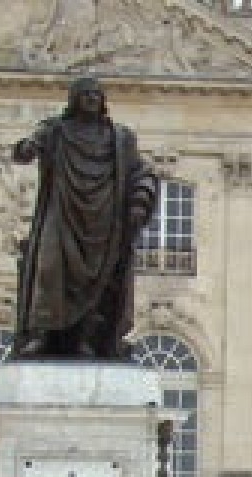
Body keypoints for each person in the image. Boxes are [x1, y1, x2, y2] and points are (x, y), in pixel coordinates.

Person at [11, 76, 158, 361]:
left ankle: (85, 339)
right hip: (63, 211)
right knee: (49, 269)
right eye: (85, 93)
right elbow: (26, 148)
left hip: (103, 219)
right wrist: (28, 147)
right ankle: (41, 334)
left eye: (96, 94)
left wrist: (140, 201)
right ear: (74, 100)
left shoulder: (120, 138)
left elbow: (141, 172)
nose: (91, 98)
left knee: (98, 280)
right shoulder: (56, 130)